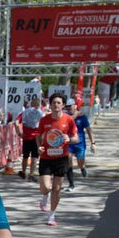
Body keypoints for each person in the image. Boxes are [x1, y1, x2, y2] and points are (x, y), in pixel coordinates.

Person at [35, 94, 78, 226]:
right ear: (50, 105)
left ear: (63, 105)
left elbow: (76, 138)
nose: (56, 105)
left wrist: (69, 139)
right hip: (46, 157)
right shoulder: (44, 120)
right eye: (53, 103)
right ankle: (44, 196)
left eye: (58, 103)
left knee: (57, 188)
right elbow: (38, 136)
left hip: (61, 158)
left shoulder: (69, 120)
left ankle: (52, 215)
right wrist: (39, 147)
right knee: (45, 187)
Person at [17, 96, 43, 179]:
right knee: (34, 157)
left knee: (25, 156)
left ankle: (23, 172)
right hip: (37, 138)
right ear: (38, 105)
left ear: (31, 104)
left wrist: (19, 133)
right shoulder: (41, 113)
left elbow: (16, 122)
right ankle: (31, 174)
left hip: (26, 137)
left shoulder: (24, 113)